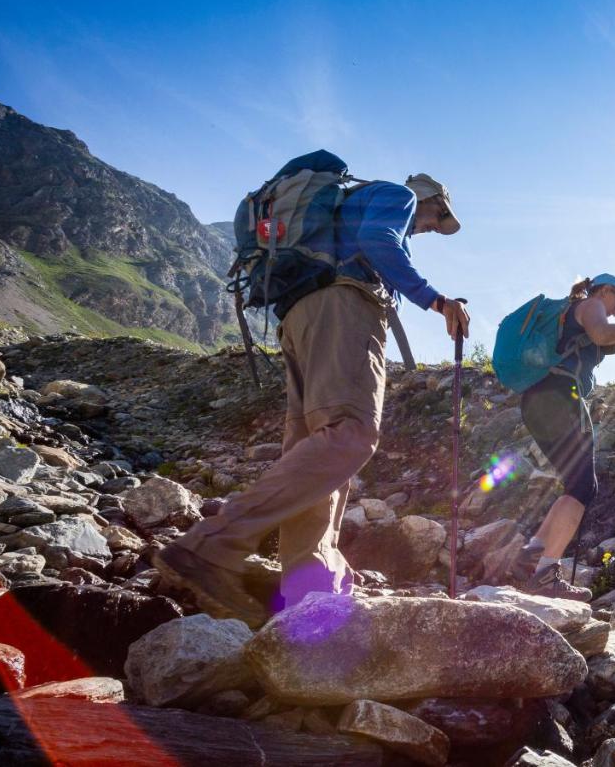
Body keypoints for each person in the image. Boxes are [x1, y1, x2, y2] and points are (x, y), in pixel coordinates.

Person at [155, 172, 471, 627]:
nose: (425, 229)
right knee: (351, 433)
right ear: (431, 201)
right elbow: (381, 239)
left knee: (317, 450)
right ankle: (209, 547)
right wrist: (437, 301)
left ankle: (308, 583)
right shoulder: (397, 196)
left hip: (301, 316)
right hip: (344, 308)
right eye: (434, 219)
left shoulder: (343, 207)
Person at [510, 274, 615, 600]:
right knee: (583, 487)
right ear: (605, 291)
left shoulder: (571, 313)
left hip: (538, 400)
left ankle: (530, 557)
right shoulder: (589, 305)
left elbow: (604, 340)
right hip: (560, 397)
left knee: (574, 483)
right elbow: (603, 332)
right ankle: (546, 574)